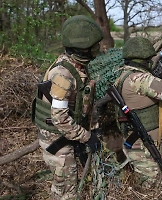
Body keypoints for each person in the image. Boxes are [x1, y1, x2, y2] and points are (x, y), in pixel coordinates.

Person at [32, 15, 102, 200]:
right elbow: (60, 118)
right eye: (94, 46)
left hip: (67, 137)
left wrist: (92, 128)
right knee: (66, 194)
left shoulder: (76, 66)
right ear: (83, 48)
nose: (98, 49)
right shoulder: (63, 75)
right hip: (59, 144)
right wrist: (87, 137)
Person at [114, 36, 162, 186]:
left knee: (156, 184)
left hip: (145, 144)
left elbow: (154, 62)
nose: (151, 61)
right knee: (151, 187)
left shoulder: (128, 74)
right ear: (143, 60)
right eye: (148, 58)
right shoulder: (139, 78)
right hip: (143, 146)